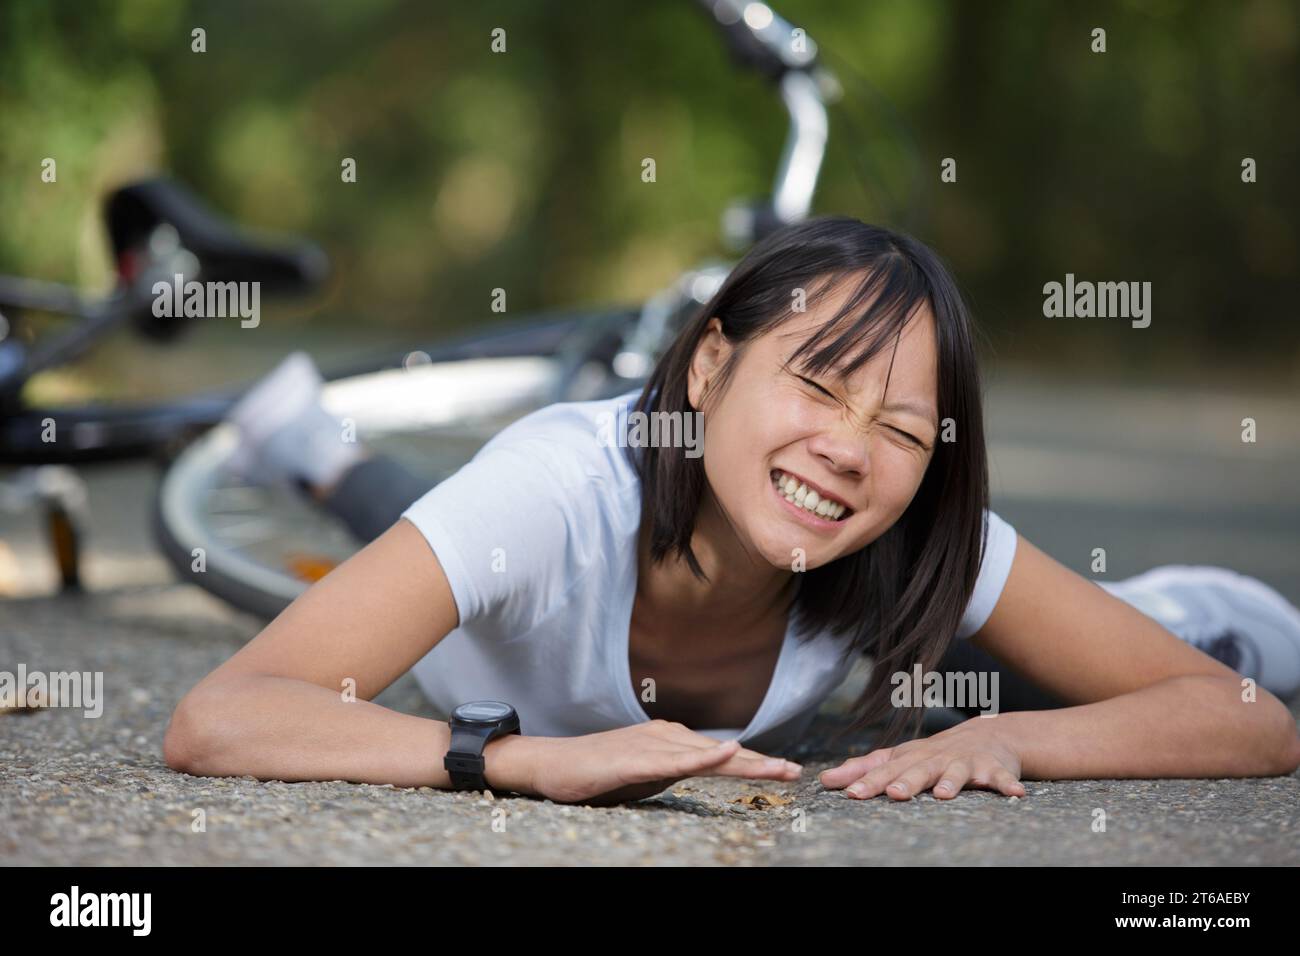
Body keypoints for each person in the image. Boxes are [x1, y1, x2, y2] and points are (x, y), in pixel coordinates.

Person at [162, 217, 1300, 805]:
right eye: (814, 380)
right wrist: (512, 761)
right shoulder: (553, 491)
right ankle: (311, 444)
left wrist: (1003, 737)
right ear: (709, 363)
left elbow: (1252, 721)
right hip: (530, 552)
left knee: (980, 679)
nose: (849, 451)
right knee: (421, 516)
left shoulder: (904, 523)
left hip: (906, 654)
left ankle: (1158, 609)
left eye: (902, 428)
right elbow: (221, 717)